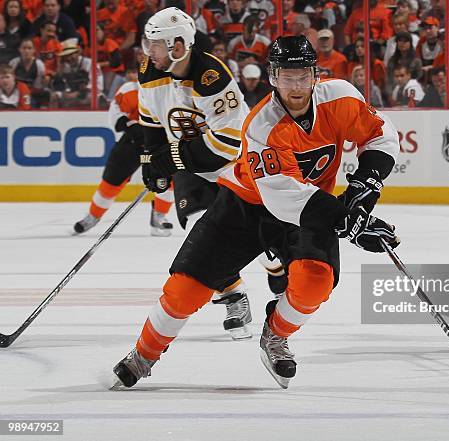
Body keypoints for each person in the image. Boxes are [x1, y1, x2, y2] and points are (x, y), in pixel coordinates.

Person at [112, 35, 400, 389]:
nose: (296, 86)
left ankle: (275, 336)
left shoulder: (340, 96)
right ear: (273, 77)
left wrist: (364, 188)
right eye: (286, 77)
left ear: (315, 75)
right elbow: (285, 198)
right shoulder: (262, 125)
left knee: (315, 283)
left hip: (309, 209)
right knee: (185, 289)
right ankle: (144, 354)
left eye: (303, 76)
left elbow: (379, 135)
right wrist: (348, 221)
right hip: (244, 207)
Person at [134, 7, 284, 340]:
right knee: (204, 229)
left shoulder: (210, 75)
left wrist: (170, 157)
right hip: (192, 161)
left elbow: (229, 143)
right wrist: (149, 160)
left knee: (258, 245)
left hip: (237, 164)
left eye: (155, 44)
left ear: (177, 46)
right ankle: (233, 296)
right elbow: (150, 122)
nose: (148, 51)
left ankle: (277, 269)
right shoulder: (148, 71)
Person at [72, 63, 175, 237]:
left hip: (162, 143)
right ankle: (93, 215)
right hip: (134, 143)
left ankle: (159, 216)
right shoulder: (130, 89)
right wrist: (132, 127)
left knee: (168, 180)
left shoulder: (174, 88)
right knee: (112, 179)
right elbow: (116, 114)